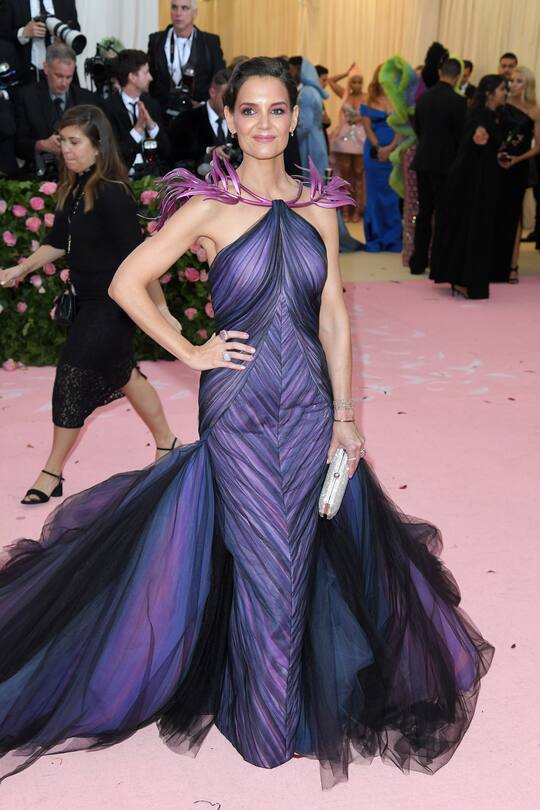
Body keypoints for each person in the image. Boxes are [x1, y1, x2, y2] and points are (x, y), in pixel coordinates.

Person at [0, 57, 493, 788]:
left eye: (275, 110)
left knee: (297, 555)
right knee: (269, 562)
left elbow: (331, 314)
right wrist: (191, 347)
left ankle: (270, 699)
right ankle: (266, 719)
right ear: (231, 119)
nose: (263, 124)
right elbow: (127, 282)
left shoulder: (322, 205)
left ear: (296, 119)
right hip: (239, 410)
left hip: (309, 412)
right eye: (249, 111)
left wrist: (347, 413)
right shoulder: (208, 207)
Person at [0, 104, 178, 504]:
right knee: (124, 374)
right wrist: (19, 269)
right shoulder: (75, 188)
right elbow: (54, 242)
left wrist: (162, 312)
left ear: (98, 146)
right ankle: (167, 441)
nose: (66, 149)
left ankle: (52, 471)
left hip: (113, 305)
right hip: (88, 303)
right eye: (62, 141)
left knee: (72, 375)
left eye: (74, 141)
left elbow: (140, 258)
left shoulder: (112, 194)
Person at [430, 75, 508, 299]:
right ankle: (466, 281)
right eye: (502, 89)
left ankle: (464, 280)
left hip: (480, 182)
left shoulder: (489, 115)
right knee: (474, 229)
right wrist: (480, 138)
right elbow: (476, 139)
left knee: (474, 229)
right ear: (490, 92)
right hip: (475, 186)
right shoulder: (481, 117)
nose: (505, 92)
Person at [409, 58, 467, 275]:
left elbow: (419, 130)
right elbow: (461, 137)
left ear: (440, 71)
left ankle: (418, 262)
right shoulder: (458, 102)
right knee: (444, 214)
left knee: (424, 213)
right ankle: (438, 263)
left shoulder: (423, 98)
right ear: (458, 75)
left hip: (424, 161)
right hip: (447, 165)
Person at [14, 42, 97, 176]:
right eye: (58, 76)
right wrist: (42, 145)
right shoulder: (26, 97)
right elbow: (18, 144)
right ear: (46, 68)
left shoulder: (87, 99)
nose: (64, 83)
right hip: (39, 174)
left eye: (68, 77)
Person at [492, 66, 540, 283]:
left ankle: (512, 265)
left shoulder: (534, 110)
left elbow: (538, 146)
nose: (514, 84)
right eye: (512, 80)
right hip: (495, 165)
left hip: (518, 168)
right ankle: (489, 261)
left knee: (514, 215)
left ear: (528, 84)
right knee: (493, 211)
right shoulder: (501, 105)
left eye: (519, 80)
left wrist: (517, 160)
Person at [147, 0, 225, 117]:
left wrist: (205, 105)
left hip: (199, 116)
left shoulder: (210, 42)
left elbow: (219, 79)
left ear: (195, 12)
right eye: (174, 7)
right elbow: (150, 80)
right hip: (163, 115)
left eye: (184, 8)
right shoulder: (156, 40)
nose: (178, 13)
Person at [104, 49, 171, 174]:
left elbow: (167, 152)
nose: (150, 78)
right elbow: (115, 155)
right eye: (146, 73)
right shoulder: (108, 108)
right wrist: (138, 129)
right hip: (124, 178)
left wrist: (152, 126)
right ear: (132, 77)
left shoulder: (151, 104)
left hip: (155, 175)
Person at [361, 65, 402, 252]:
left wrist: (391, 148)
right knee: (375, 195)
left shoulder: (398, 100)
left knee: (392, 194)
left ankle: (393, 238)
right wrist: (378, 148)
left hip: (394, 151)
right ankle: (376, 238)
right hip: (373, 152)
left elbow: (402, 128)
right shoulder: (368, 101)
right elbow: (367, 128)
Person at [0, 0, 80, 85]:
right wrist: (23, 33)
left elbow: (76, 34)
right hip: (26, 76)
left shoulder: (67, 2)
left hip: (61, 76)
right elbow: (2, 34)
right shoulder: (11, 2)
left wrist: (63, 39)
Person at [327, 63, 366, 221]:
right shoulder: (345, 95)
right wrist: (346, 72)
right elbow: (330, 80)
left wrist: (362, 117)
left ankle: (358, 210)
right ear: (350, 82)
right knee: (344, 175)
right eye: (354, 81)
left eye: (359, 81)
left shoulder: (367, 96)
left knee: (359, 174)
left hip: (361, 139)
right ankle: (344, 210)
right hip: (344, 139)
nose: (356, 84)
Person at [169, 67, 230, 168]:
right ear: (212, 93)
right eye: (226, 98)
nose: (231, 104)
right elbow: (176, 159)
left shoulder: (240, 121)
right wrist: (208, 153)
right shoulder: (185, 120)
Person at [289, 55, 329, 176]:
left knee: (310, 180)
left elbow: (305, 125)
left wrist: (292, 142)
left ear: (298, 69)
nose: (290, 73)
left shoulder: (306, 93)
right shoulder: (312, 90)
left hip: (309, 141)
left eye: (291, 69)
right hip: (317, 137)